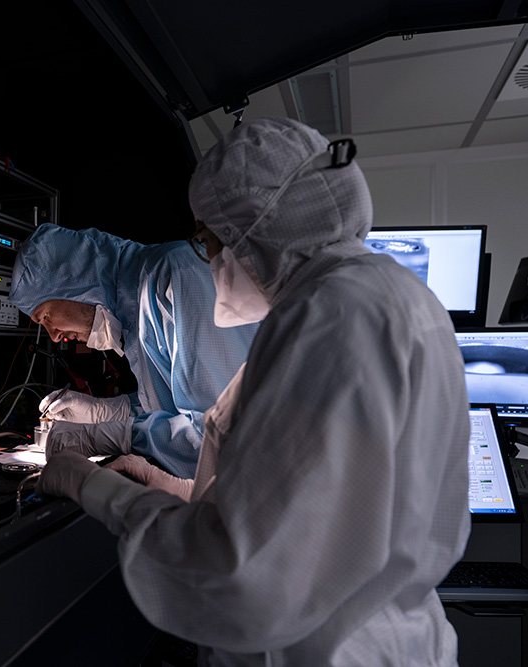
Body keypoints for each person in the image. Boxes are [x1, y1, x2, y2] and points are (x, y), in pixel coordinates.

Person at [37, 117, 471, 666]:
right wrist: (175, 488)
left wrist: (96, 489)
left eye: (209, 238)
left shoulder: (330, 317)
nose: (210, 258)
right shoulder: (388, 295)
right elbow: (323, 508)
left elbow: (242, 579)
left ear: (258, 224)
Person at [8, 223, 258, 478]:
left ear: (70, 283)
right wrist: (110, 412)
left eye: (46, 316)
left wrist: (113, 436)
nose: (54, 335)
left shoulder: (170, 275)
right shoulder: (135, 309)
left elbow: (215, 435)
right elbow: (170, 409)